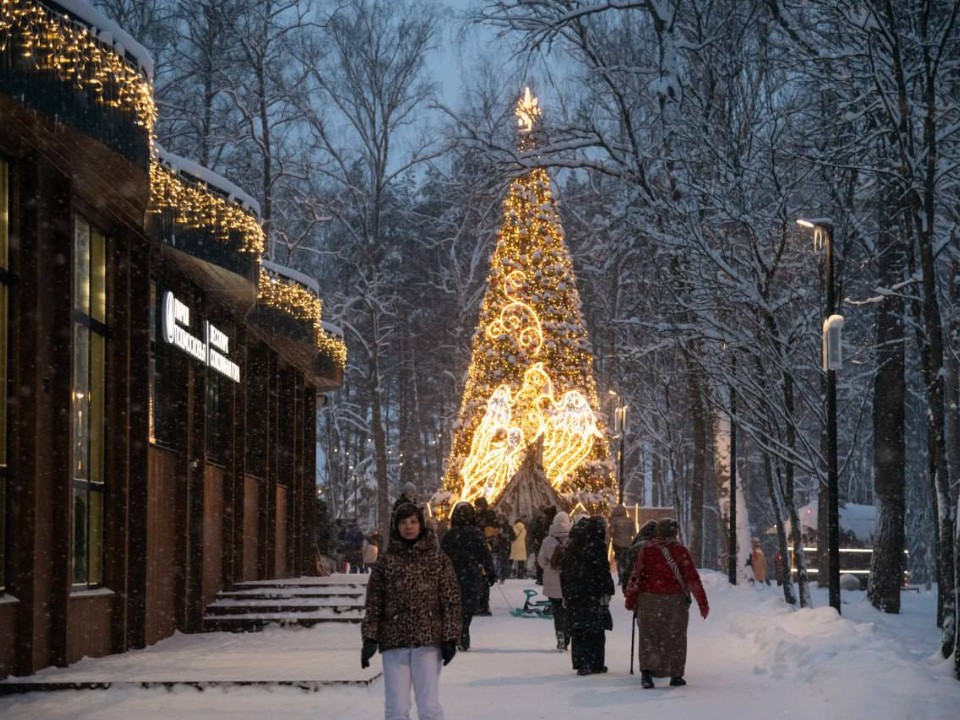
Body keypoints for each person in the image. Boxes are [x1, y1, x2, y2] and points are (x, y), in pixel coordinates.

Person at [361, 502, 461, 720]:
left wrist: (450, 637)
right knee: (396, 707)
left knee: (428, 706)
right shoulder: (386, 561)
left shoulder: (437, 559)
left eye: (413, 522)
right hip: (394, 642)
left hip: (428, 642)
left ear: (421, 524)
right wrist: (370, 637)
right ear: (396, 526)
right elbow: (374, 602)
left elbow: (451, 601)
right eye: (403, 522)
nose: (408, 527)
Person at [624, 517, 709, 689]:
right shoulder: (680, 551)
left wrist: (631, 599)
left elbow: (637, 576)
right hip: (674, 600)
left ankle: (647, 674)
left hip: (649, 599)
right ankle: (675, 674)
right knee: (675, 636)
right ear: (674, 532)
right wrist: (702, 603)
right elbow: (692, 577)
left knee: (649, 636)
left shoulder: (646, 550)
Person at [561, 516, 615, 675]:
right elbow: (602, 570)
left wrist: (566, 592)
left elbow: (565, 571)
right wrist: (607, 590)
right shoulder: (597, 545)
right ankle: (596, 662)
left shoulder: (573, 545)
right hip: (592, 592)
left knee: (579, 628)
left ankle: (581, 662)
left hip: (575, 593)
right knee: (596, 629)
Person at [440, 502, 496, 651]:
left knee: (455, 603)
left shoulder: (449, 535)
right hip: (471, 574)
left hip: (453, 574)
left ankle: (459, 630)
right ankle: (464, 628)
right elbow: (485, 554)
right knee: (469, 604)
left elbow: (441, 556)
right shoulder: (476, 533)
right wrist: (490, 572)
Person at [537, 510, 572, 651]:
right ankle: (568, 634)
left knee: (557, 611)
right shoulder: (572, 540)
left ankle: (560, 634)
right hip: (568, 580)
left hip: (553, 581)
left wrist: (549, 568)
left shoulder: (547, 541)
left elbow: (541, 560)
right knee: (568, 610)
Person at [609, 504, 636, 587]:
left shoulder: (614, 521)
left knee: (619, 561)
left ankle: (621, 578)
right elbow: (634, 533)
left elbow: (611, 532)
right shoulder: (630, 520)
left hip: (617, 543)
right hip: (628, 543)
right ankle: (627, 577)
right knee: (627, 561)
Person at [531, 505, 558, 585]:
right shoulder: (554, 521)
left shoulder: (543, 522)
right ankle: (544, 578)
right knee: (551, 561)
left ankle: (541, 578)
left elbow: (535, 532)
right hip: (550, 544)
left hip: (542, 544)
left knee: (542, 560)